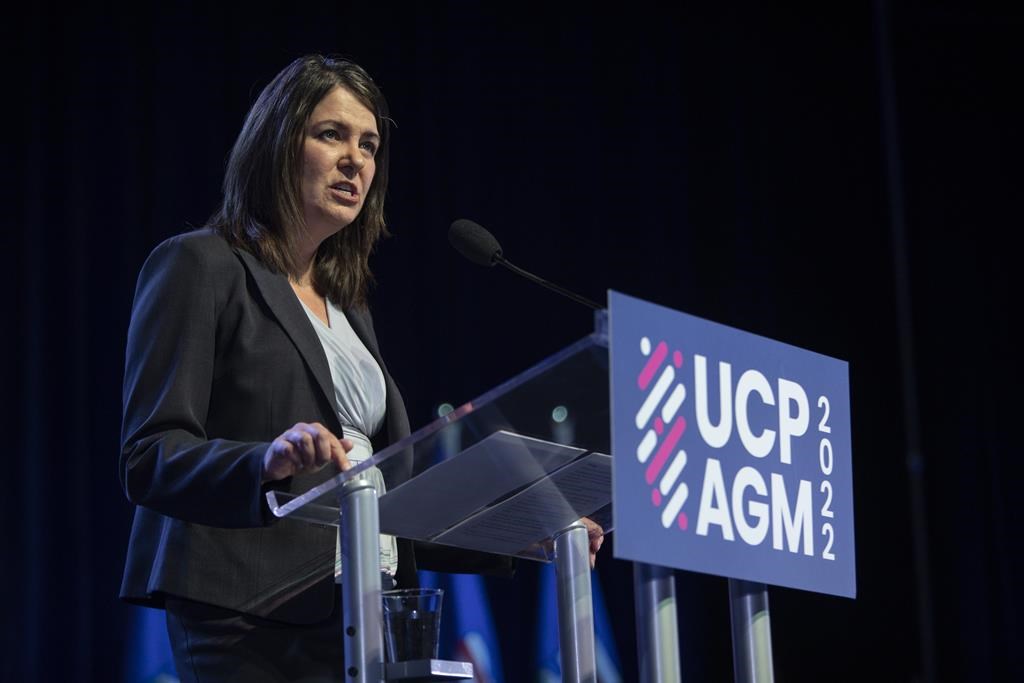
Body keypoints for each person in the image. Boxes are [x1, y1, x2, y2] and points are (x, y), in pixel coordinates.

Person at [118, 54, 602, 682]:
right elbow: (150, 454)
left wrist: (515, 532)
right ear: (277, 145)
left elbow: (388, 497)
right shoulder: (200, 265)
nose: (357, 160)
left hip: (366, 614)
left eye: (369, 144)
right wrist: (265, 461)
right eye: (332, 135)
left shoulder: (349, 308)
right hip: (249, 617)